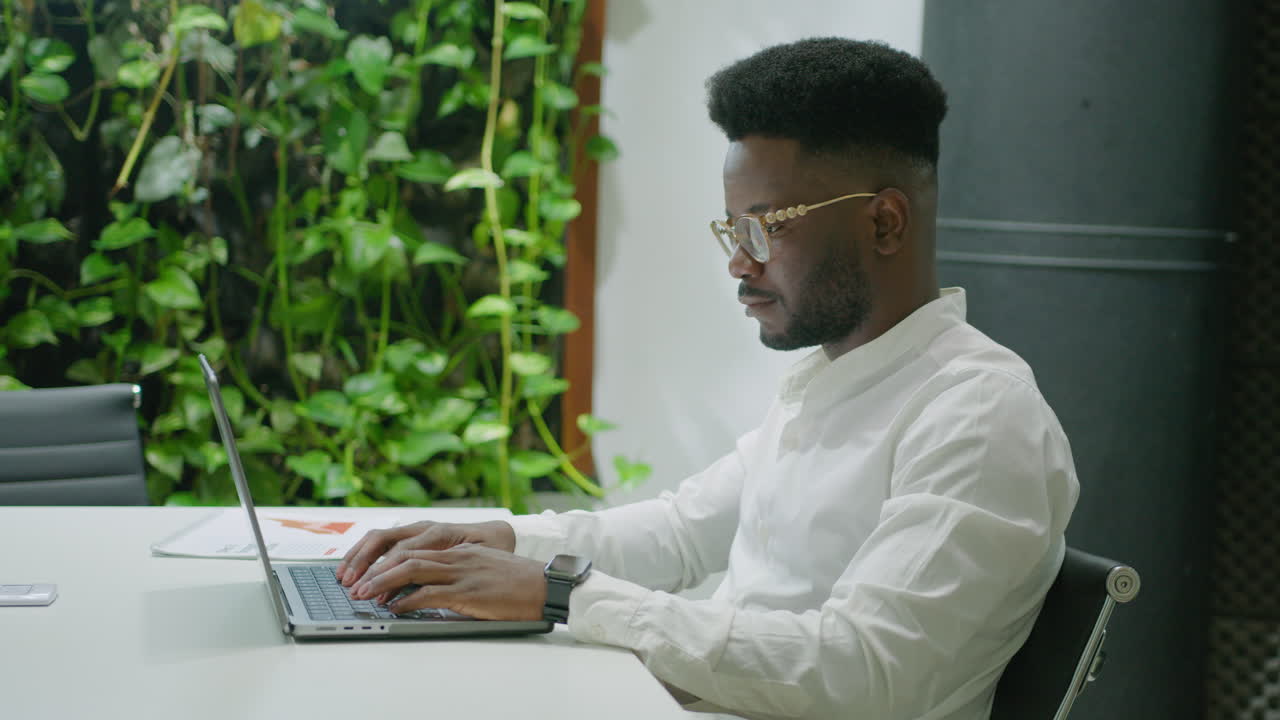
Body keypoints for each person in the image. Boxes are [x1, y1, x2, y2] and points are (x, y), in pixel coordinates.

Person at [337, 37, 1078, 720]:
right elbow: (680, 534)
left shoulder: (979, 415)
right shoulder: (837, 382)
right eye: (732, 229)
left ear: (884, 223)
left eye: (766, 227)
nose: (738, 262)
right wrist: (498, 540)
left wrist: (565, 594)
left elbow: (865, 671)